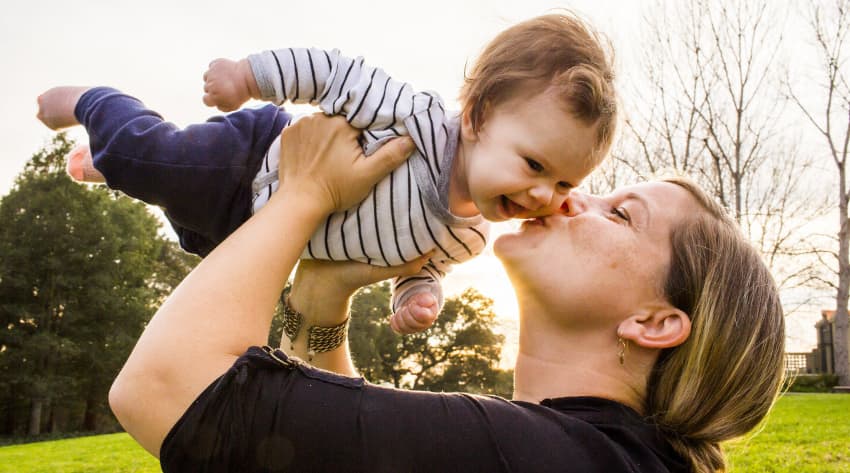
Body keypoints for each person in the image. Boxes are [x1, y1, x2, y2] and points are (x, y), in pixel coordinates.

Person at [104, 114, 785, 473]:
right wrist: (323, 305)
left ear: (657, 321)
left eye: (621, 214)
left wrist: (306, 193)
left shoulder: (558, 457)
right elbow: (335, 442)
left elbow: (167, 386)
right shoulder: (595, 455)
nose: (578, 199)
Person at [34, 13, 617, 337]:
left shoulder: (467, 239)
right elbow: (336, 73)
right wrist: (249, 75)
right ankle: (93, 101)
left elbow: (420, 267)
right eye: (535, 165)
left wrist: (418, 297)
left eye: (566, 184)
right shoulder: (413, 119)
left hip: (256, 232)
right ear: (479, 117)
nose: (545, 194)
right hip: (255, 159)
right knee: (156, 161)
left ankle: (110, 166)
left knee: (174, 210)